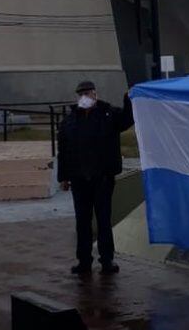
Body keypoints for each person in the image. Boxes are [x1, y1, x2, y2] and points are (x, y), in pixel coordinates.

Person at [57, 80, 134, 275]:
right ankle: (84, 261)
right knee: (82, 222)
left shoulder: (108, 114)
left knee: (103, 220)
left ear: (95, 94)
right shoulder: (69, 121)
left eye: (88, 93)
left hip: (102, 178)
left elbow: (126, 120)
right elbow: (64, 151)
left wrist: (129, 100)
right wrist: (63, 177)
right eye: (82, 93)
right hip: (79, 179)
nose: (85, 96)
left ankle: (106, 260)